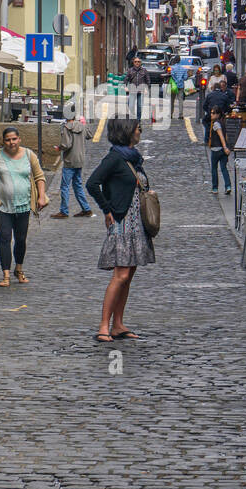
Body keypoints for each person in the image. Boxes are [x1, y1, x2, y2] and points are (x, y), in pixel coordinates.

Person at [86, 118, 155, 342]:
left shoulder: (134, 158)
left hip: (137, 224)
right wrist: (106, 210)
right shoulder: (115, 158)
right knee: (120, 275)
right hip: (122, 222)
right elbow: (92, 183)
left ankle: (118, 324)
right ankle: (103, 325)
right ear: (126, 132)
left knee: (129, 276)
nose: (140, 131)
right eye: (137, 128)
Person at [0, 127, 49, 287]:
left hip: (24, 205)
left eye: (14, 139)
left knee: (20, 239)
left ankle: (19, 269)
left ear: (19, 139)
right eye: (8, 139)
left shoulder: (29, 155)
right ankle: (6, 274)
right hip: (2, 206)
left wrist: (41, 196)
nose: (11, 142)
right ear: (3, 141)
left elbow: (39, 177)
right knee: (5, 238)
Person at [52, 109, 94, 219]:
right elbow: (90, 135)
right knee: (78, 185)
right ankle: (86, 209)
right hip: (80, 160)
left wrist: (59, 148)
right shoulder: (81, 125)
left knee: (65, 186)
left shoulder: (67, 127)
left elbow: (66, 144)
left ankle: (64, 211)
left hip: (70, 160)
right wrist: (85, 124)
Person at [207, 106, 232, 194]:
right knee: (224, 168)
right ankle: (228, 186)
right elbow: (226, 136)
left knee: (214, 169)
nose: (211, 115)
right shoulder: (222, 122)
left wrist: (225, 147)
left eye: (213, 113)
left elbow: (221, 136)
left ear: (218, 114)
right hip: (223, 150)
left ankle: (215, 188)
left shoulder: (216, 124)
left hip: (216, 149)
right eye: (211, 112)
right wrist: (227, 147)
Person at [201, 79, 233, 145]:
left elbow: (204, 106)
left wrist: (210, 112)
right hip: (221, 116)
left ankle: (207, 139)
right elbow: (229, 107)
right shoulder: (224, 96)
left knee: (205, 121)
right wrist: (224, 112)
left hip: (211, 115)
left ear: (213, 88)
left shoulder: (209, 95)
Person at [124, 57, 150, 122]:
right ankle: (132, 116)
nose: (137, 63)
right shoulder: (130, 70)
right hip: (132, 91)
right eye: (135, 61)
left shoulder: (144, 70)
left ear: (140, 63)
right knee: (131, 105)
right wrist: (125, 86)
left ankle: (138, 119)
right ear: (133, 62)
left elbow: (148, 81)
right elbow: (126, 79)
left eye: (138, 61)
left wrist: (147, 88)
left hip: (141, 91)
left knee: (139, 106)